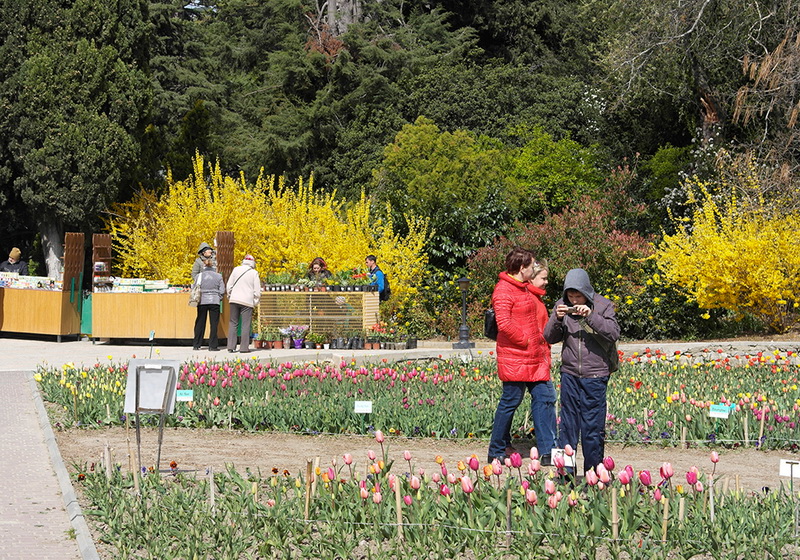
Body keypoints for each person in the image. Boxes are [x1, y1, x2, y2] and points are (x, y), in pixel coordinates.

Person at [543, 268, 620, 474]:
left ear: (587, 292)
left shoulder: (602, 305)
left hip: (595, 375)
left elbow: (613, 333)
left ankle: (594, 474)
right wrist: (557, 319)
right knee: (566, 427)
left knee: (592, 428)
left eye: (579, 296)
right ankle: (565, 473)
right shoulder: (561, 305)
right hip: (569, 374)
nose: (574, 300)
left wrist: (591, 316)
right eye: (570, 295)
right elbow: (549, 337)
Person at [488, 247, 556, 465]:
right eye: (532, 265)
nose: (534, 269)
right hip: (517, 356)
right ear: (522, 268)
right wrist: (526, 339)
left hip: (534, 357)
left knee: (545, 398)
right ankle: (496, 448)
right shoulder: (503, 290)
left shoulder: (522, 288)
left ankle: (548, 451)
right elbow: (504, 324)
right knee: (510, 401)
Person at [226, 254, 261, 353]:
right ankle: (244, 348)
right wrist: (255, 302)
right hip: (247, 301)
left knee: (233, 323)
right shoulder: (254, 273)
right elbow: (257, 291)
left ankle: (231, 346)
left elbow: (229, 285)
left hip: (234, 299)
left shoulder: (236, 269)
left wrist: (230, 296)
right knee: (246, 324)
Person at [192, 258, 225, 351]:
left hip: (202, 300)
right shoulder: (218, 276)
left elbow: (194, 287)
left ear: (204, 266)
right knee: (214, 324)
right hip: (214, 301)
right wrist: (219, 297)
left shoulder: (199, 276)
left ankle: (196, 344)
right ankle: (213, 345)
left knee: (200, 322)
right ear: (214, 266)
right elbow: (222, 290)